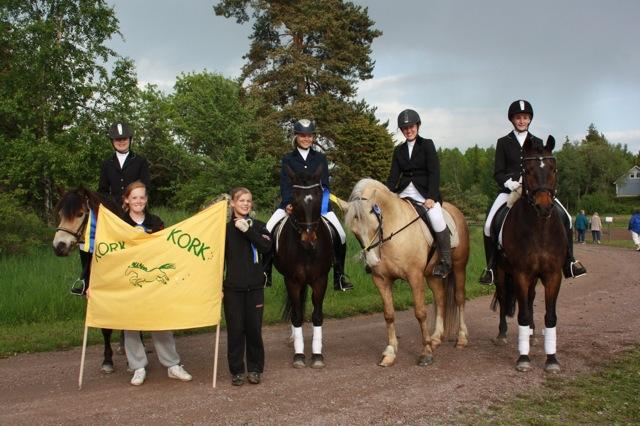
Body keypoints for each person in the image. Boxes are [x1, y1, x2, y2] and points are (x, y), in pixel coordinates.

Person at [479, 100, 586, 284]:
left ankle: (569, 261)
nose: (522, 121)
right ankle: (491, 267)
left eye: (525, 117)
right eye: (518, 117)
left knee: (566, 217)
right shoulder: (504, 142)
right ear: (512, 119)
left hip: (536, 189)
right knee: (489, 224)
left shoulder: (537, 142)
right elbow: (498, 171)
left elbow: (544, 168)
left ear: (529, 120)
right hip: (511, 189)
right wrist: (510, 183)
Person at [265, 119, 354, 291]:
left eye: (309, 135)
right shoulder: (288, 159)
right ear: (296, 136)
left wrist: (321, 205)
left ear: (313, 137)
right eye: (302, 135)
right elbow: (285, 184)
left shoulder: (320, 158)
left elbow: (325, 185)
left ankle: (339, 276)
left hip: (317, 207)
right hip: (292, 205)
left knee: (341, 234)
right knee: (268, 229)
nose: (306, 138)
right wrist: (288, 203)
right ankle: (266, 273)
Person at [119, 181, 192, 386]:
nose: (138, 201)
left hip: (154, 284)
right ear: (126, 200)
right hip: (129, 282)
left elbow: (166, 249)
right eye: (134, 197)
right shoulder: (118, 223)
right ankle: (138, 367)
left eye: (142, 197)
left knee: (160, 321)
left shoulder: (156, 221)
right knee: (131, 324)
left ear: (147, 199)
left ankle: (172, 365)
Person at [73, 121, 151, 296]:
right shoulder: (107, 163)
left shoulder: (140, 161)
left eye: (124, 139)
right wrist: (112, 205)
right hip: (113, 212)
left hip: (136, 207)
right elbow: (102, 190)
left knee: (152, 229)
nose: (121, 142)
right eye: (117, 140)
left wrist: (133, 201)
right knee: (88, 240)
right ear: (112, 142)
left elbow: (146, 185)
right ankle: (86, 280)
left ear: (130, 140)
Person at [385, 109, 451, 278]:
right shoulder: (398, 150)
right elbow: (393, 177)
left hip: (425, 193)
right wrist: (386, 194)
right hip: (404, 192)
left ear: (418, 126)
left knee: (437, 218)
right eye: (405, 128)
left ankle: (445, 261)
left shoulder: (427, 144)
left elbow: (434, 172)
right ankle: (380, 260)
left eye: (411, 126)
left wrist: (431, 197)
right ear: (401, 130)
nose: (408, 130)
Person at [224, 187, 272, 386]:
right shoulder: (224, 229)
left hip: (254, 288)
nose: (245, 204)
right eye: (241, 200)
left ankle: (254, 369)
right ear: (233, 203)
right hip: (233, 288)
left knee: (254, 330)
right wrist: (218, 286)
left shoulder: (259, 226)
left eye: (248, 201)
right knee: (235, 331)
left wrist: (249, 231)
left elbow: (267, 247)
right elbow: (217, 260)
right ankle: (236, 370)